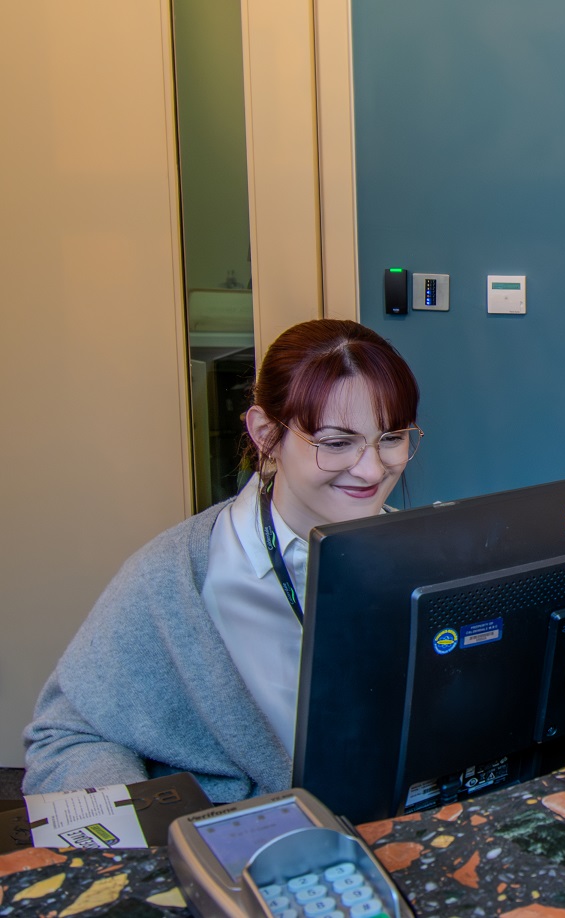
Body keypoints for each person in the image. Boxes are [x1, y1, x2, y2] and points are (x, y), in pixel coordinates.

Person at [23, 319, 422, 802]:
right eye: (336, 443)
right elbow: (67, 739)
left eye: (391, 437)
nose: (372, 469)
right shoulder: (174, 578)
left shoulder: (430, 559)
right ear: (266, 434)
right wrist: (159, 838)